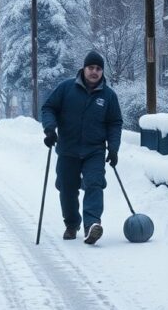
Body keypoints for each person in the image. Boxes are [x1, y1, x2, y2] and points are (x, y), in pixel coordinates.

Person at [40, 51, 123, 245]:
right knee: (67, 188)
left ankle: (92, 225)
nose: (94, 72)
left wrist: (113, 148)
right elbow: (48, 108)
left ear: (102, 71)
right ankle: (72, 224)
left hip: (94, 150)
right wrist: (50, 129)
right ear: (84, 68)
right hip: (68, 148)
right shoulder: (66, 88)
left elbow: (115, 123)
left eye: (98, 69)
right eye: (91, 68)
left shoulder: (108, 96)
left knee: (94, 183)